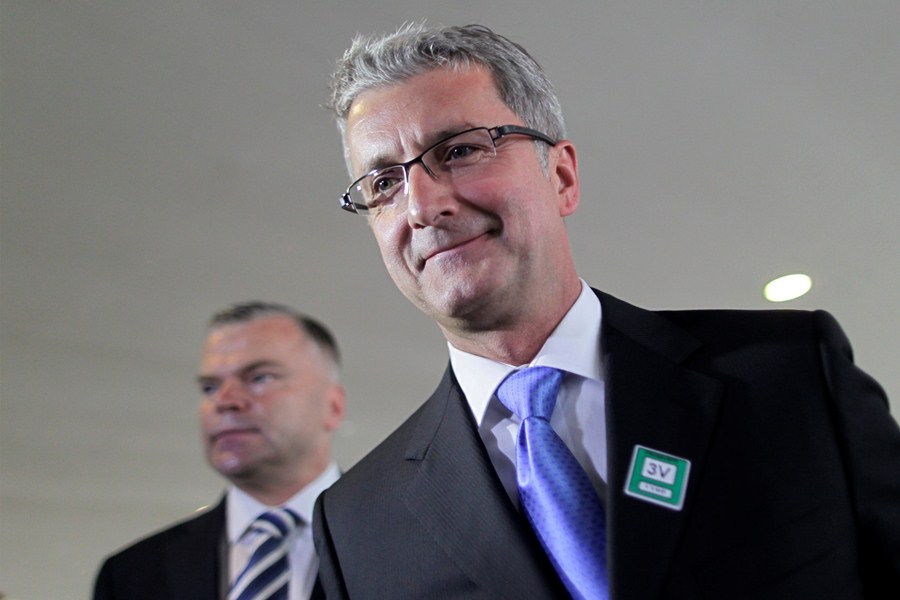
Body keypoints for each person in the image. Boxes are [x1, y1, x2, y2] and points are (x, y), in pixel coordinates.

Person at [312, 22, 900, 599]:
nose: (421, 206)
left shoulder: (791, 377)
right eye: (383, 183)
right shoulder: (355, 528)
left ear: (561, 176)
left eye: (460, 150)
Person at [94, 302, 346, 600]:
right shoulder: (130, 575)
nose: (224, 401)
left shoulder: (393, 538)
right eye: (210, 388)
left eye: (259, 378)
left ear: (333, 406)